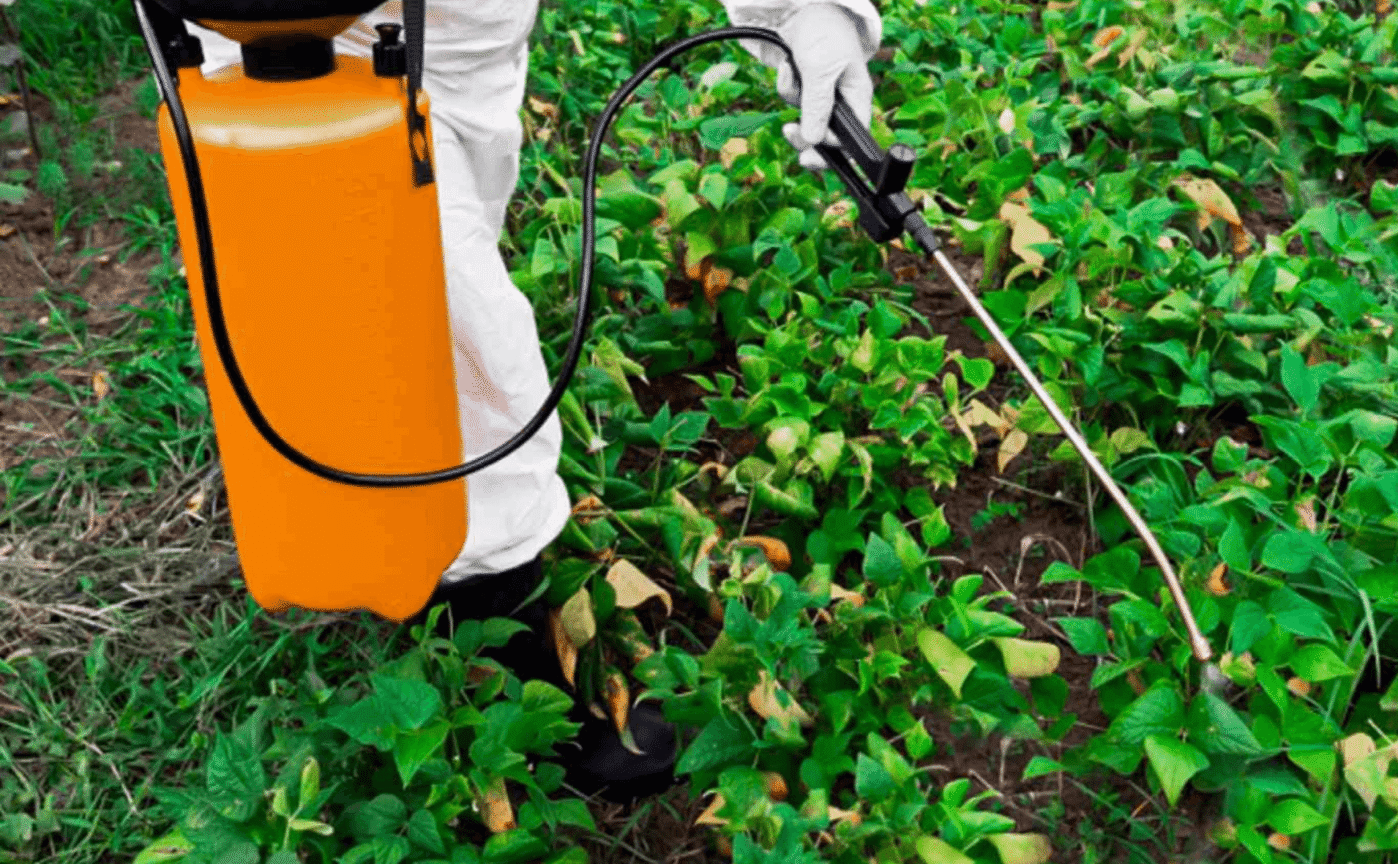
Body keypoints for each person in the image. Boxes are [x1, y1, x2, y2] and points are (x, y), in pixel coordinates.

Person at [183, 0, 884, 801]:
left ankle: (400, 526)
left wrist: (799, 13)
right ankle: (505, 669)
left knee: (411, 296)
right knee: (464, 341)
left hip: (464, 40)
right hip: (310, 30)